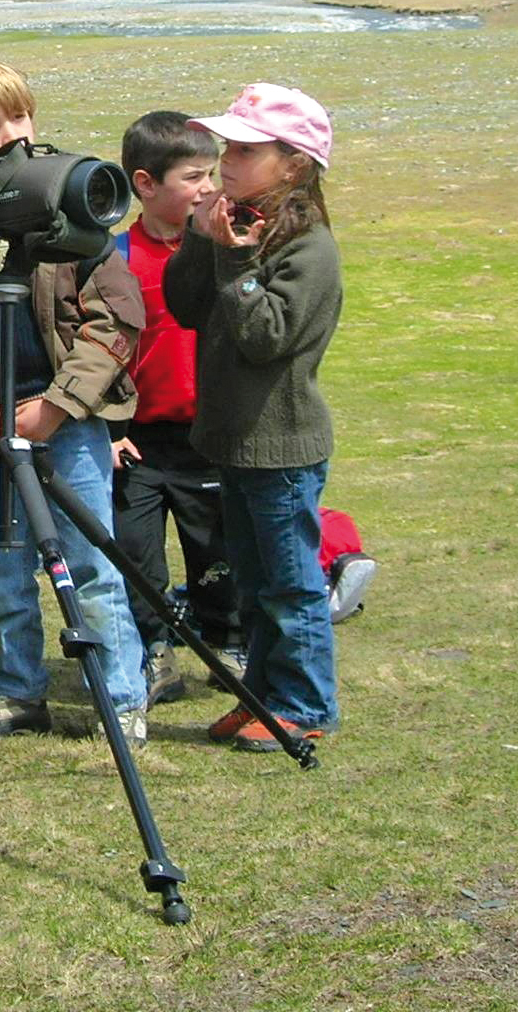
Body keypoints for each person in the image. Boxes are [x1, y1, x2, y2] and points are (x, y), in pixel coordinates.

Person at [0, 54, 149, 747]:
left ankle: (121, 697)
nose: (11, 136)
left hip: (66, 426)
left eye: (18, 116)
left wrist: (56, 404)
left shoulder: (65, 216)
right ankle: (17, 691)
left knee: (91, 565)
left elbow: (116, 321)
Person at [164, 83, 343, 753]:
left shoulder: (307, 249)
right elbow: (187, 308)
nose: (225, 161)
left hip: (281, 447)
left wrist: (234, 258)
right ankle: (266, 698)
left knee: (290, 584)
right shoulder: (240, 228)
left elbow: (264, 336)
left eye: (243, 149)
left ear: (292, 164)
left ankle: (304, 704)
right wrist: (200, 240)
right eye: (225, 148)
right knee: (254, 584)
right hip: (236, 444)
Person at [110, 111, 243, 705]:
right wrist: (107, 428)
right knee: (136, 556)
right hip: (134, 441)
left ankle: (229, 644)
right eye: (193, 176)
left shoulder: (227, 249)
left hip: (208, 437)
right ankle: (153, 651)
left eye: (212, 173)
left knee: (216, 551)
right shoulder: (112, 256)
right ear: (145, 183)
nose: (209, 188)